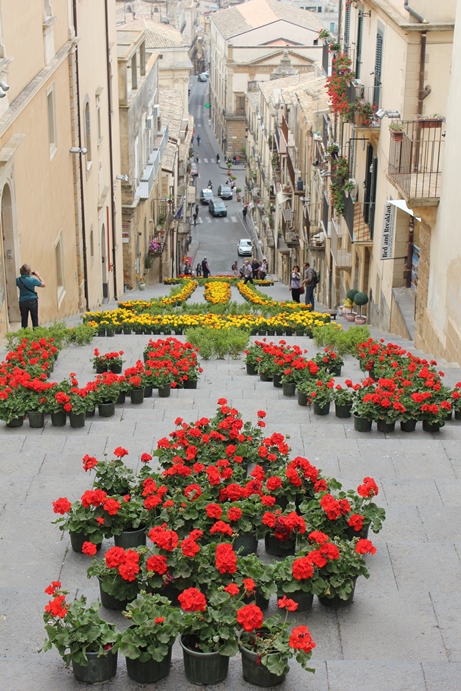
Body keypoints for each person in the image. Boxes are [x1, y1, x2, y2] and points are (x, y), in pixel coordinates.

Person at [16, 264, 46, 328]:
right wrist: (38, 276)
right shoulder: (33, 280)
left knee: (24, 320)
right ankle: (35, 333)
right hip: (32, 300)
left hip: (22, 301)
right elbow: (43, 284)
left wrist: (27, 275)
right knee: (34, 319)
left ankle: (24, 334)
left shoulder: (18, 280)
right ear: (29, 271)